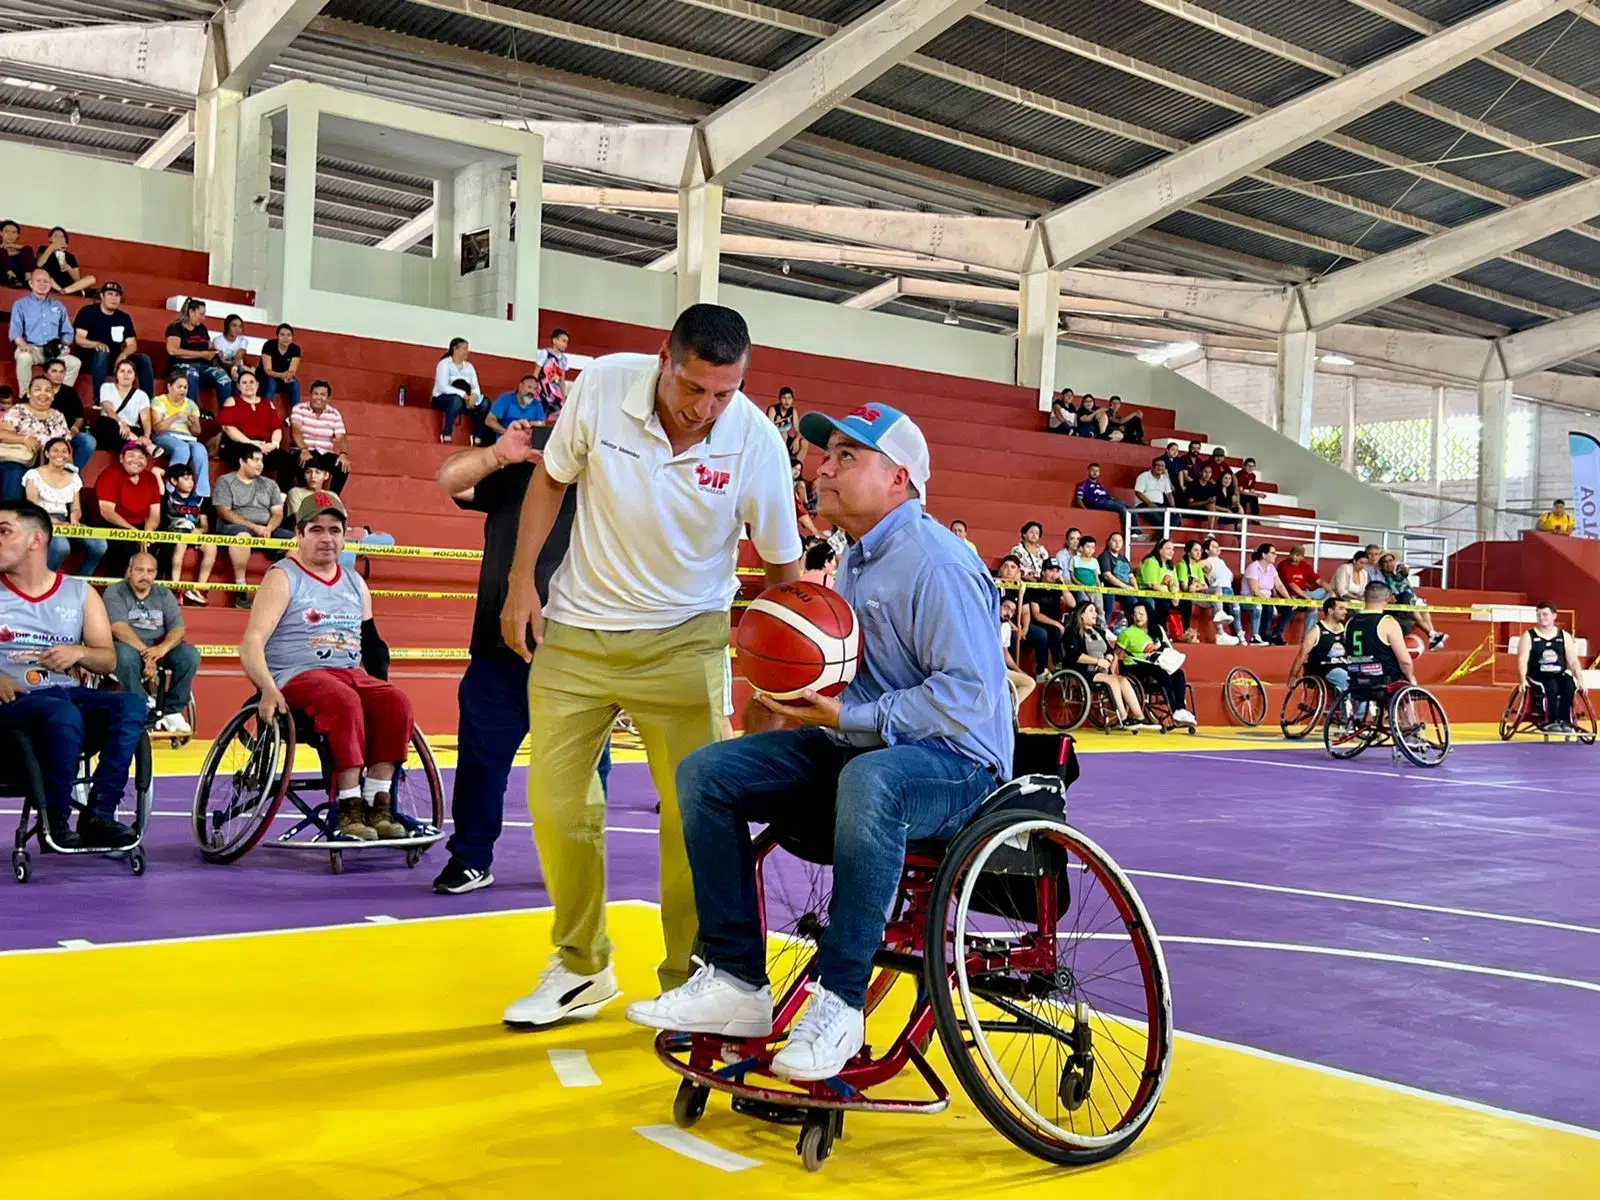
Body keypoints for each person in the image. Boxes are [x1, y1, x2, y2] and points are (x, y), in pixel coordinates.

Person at [625, 401, 1009, 1083]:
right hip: (866, 748)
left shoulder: (937, 563)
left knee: (873, 780)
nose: (824, 467)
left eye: (847, 457)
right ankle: (738, 980)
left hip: (959, 766)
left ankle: (839, 1001)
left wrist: (846, 718)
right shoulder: (856, 559)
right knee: (707, 774)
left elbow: (971, 697)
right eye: (825, 454)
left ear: (900, 480)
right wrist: (793, 704)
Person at [498, 303, 802, 1024]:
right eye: (694, 388)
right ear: (665, 361)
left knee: (696, 820)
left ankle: (689, 977)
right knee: (556, 806)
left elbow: (785, 570)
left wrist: (777, 683)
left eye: (724, 393)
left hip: (686, 639)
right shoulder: (602, 386)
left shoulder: (754, 440)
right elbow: (550, 479)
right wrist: (521, 583)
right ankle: (580, 966)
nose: (707, 408)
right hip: (576, 628)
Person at [430, 419, 613, 894]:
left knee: (582, 769)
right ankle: (471, 857)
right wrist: (496, 454)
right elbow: (450, 478)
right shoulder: (519, 471)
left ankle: (576, 860)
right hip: (498, 652)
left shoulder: (611, 490)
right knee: (481, 763)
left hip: (578, 660)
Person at [240, 491, 416, 841]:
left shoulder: (355, 582)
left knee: (397, 702)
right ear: (300, 534)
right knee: (341, 699)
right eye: (317, 530)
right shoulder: (283, 577)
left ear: (344, 534)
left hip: (348, 674)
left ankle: (377, 803)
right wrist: (267, 688)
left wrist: (381, 698)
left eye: (334, 530)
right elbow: (251, 643)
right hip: (297, 676)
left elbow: (374, 647)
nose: (327, 539)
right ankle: (348, 808)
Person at [0, 499, 145, 849]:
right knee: (62, 713)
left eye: (4, 532)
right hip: (15, 700)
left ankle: (99, 815)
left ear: (36, 540)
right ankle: (55, 818)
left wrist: (79, 652)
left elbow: (108, 660)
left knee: (131, 706)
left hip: (66, 693)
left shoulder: (80, 592)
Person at [104, 552, 199, 734]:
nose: (145, 576)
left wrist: (161, 649)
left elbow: (178, 629)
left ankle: (172, 710)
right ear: (129, 572)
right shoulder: (114, 592)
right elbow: (118, 627)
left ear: (155, 574)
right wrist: (148, 654)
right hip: (129, 645)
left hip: (159, 646)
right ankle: (144, 705)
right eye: (139, 570)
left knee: (189, 655)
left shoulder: (163, 594)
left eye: (150, 571)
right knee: (121, 655)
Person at [212, 443, 292, 607]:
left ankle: (285, 592)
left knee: (296, 542)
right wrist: (255, 528)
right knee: (243, 536)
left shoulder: (270, 484)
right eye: (255, 460)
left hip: (266, 528)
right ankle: (241, 591)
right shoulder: (226, 481)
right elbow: (224, 512)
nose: (260, 464)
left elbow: (277, 512)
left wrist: (269, 527)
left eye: (261, 460)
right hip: (235, 527)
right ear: (242, 461)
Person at [23, 436, 104, 575]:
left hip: (63, 521)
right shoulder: (34, 474)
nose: (60, 455)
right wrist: (54, 523)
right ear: (47, 454)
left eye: (64, 451)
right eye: (55, 451)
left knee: (99, 544)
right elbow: (33, 507)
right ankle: (44, 581)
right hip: (40, 521)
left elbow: (76, 508)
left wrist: (74, 520)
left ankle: (81, 582)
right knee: (62, 547)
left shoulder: (74, 478)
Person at [1064, 599, 1151, 729]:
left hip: (1101, 671)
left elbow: (1110, 651)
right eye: (1091, 611)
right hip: (1082, 672)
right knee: (1113, 681)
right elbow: (1074, 655)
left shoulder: (1098, 631)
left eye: (1095, 610)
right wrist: (1098, 661)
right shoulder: (1072, 632)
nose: (1095, 613)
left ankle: (1140, 717)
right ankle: (1123, 717)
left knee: (1123, 680)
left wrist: (1108, 660)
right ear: (1081, 614)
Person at [1116, 603, 1197, 726]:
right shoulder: (1127, 633)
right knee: (1161, 672)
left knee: (1178, 673)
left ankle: (1180, 709)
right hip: (1134, 666)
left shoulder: (1157, 630)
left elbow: (1167, 648)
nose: (1138, 617)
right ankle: (1174, 709)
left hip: (1156, 663)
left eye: (1141, 614)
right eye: (1135, 614)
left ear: (1149, 615)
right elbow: (1115, 653)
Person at [72, 281, 154, 397]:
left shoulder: (124, 317)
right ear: (102, 296)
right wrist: (96, 344)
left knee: (143, 359)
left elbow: (132, 344)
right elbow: (79, 339)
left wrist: (123, 355)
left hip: (115, 360)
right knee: (103, 352)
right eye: (110, 294)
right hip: (92, 359)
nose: (114, 298)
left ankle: (148, 400)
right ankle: (99, 398)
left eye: (117, 295)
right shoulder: (88, 312)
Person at [96, 442, 163, 578]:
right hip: (114, 525)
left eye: (141, 457)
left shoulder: (150, 478)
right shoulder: (110, 474)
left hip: (140, 527)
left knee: (164, 547)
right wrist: (133, 532)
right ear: (121, 458)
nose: (136, 460)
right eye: (131, 455)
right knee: (125, 547)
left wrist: (147, 534)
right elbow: (107, 512)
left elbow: (155, 514)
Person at [1516, 601, 1586, 732]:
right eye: (1538, 615)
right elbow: (1522, 659)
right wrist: (1522, 679)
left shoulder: (1564, 636)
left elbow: (1573, 661)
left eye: (1545, 614)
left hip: (1558, 673)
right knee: (1551, 685)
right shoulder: (1528, 636)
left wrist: (1581, 680)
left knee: (1569, 684)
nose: (1541, 617)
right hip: (1538, 674)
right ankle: (1551, 720)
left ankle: (1565, 721)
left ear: (1554, 616)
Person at [11, 266, 81, 392]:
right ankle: (26, 395)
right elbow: (15, 331)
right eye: (38, 281)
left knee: (75, 363)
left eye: (46, 281)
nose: (42, 284)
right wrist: (23, 344)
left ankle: (58, 396)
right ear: (31, 283)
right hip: (32, 349)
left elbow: (68, 332)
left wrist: (62, 345)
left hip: (53, 351)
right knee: (23, 357)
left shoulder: (58, 306)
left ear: (51, 284)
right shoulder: (20, 304)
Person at [1343, 580, 1417, 696]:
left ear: (1364, 597)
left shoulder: (1350, 622)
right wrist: (1411, 678)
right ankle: (1407, 714)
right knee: (1405, 677)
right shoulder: (1388, 622)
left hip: (1356, 679)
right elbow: (1405, 661)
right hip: (1382, 679)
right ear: (1387, 598)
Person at [0, 377, 70, 499]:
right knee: (13, 470)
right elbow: (2, 433)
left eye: (48, 390)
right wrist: (25, 439)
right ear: (28, 393)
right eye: (38, 389)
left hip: (49, 464)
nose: (43, 393)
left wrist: (68, 469)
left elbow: (65, 444)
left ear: (53, 395)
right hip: (20, 461)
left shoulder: (58, 416)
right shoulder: (18, 410)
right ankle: (9, 514)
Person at [219, 370, 293, 485]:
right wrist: (251, 443)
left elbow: (277, 428)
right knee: (248, 456)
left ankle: (281, 496)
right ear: (238, 386)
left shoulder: (268, 404)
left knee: (287, 460)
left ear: (257, 385)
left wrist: (274, 444)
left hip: (264, 447)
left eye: (251, 382)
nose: (248, 385)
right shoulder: (232, 401)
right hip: (240, 445)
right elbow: (227, 427)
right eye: (244, 383)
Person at [149, 371, 210, 498]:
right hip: (165, 436)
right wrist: (176, 416)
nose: (182, 390)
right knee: (182, 449)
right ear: (169, 386)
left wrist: (194, 423)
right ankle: (171, 490)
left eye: (185, 387)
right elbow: (157, 427)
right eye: (179, 387)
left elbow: (197, 432)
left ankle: (202, 494)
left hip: (187, 437)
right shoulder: (159, 401)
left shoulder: (191, 404)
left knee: (201, 450)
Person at [161, 462, 215, 605]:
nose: (190, 482)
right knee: (180, 545)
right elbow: (156, 471)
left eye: (191, 479)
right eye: (185, 479)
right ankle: (175, 587)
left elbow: (205, 525)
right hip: (176, 533)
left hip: (195, 533)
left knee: (211, 546)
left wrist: (201, 530)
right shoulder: (167, 498)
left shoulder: (200, 501)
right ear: (174, 481)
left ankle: (199, 588)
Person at [164, 299, 233, 408]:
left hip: (203, 367)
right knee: (192, 374)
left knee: (223, 377)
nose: (203, 318)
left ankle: (226, 417)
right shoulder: (175, 327)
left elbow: (209, 346)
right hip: (181, 366)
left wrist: (216, 352)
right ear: (191, 312)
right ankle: (193, 413)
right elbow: (172, 350)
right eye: (201, 314)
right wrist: (201, 354)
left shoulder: (202, 328)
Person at [287, 380, 351, 491]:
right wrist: (304, 449)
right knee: (303, 461)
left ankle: (333, 498)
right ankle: (304, 497)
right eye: (315, 393)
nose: (318, 397)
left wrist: (343, 453)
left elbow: (341, 437)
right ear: (310, 395)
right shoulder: (299, 409)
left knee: (343, 466)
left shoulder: (334, 413)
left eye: (322, 395)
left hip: (324, 453)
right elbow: (296, 432)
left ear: (328, 398)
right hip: (304, 451)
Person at [94, 358, 157, 461]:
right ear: (116, 374)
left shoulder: (142, 395)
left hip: (131, 428)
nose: (126, 374)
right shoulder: (106, 387)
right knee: (103, 422)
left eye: (129, 372)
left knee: (136, 431)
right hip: (112, 426)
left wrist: (146, 437)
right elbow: (109, 409)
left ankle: (134, 445)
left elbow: (145, 420)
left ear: (134, 376)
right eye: (122, 371)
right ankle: (135, 444)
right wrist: (120, 423)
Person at [1289, 597, 1351, 695]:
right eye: (1341, 608)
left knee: (1364, 679)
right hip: (1323, 669)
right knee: (1347, 678)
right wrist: (1293, 676)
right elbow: (1302, 654)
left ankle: (1358, 709)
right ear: (1330, 610)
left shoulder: (1346, 630)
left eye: (1345, 609)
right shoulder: (1316, 631)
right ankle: (1347, 708)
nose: (1345, 612)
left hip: (1344, 666)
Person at [41, 356, 95, 470]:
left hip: (68, 432)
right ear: (45, 373)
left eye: (61, 372)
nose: (58, 375)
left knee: (89, 442)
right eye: (54, 371)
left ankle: (73, 473)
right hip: (43, 432)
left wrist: (74, 429)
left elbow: (80, 417)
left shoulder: (69, 392)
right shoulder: (39, 391)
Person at [433, 337, 488, 444]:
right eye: (465, 348)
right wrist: (463, 395)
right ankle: (447, 433)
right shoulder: (444, 364)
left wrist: (473, 397)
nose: (468, 351)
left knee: (485, 403)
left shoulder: (469, 367)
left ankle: (477, 437)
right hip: (442, 399)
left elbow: (475, 387)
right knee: (456, 400)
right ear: (455, 349)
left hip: (465, 401)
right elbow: (443, 386)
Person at [1022, 558, 1068, 674]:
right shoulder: (1034, 588)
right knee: (1045, 634)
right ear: (1043, 572)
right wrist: (1057, 624)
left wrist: (1063, 586)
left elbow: (1072, 603)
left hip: (1053, 624)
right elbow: (1036, 614)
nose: (1055, 574)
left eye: (1057, 571)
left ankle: (1059, 666)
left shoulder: (1057, 587)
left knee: (1057, 632)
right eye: (1051, 570)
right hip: (1037, 623)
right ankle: (1041, 670)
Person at [1242, 543, 1292, 645]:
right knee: (1268, 606)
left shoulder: (1271, 568)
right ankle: (1265, 636)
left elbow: (1279, 585)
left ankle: (1276, 635)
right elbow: (1255, 591)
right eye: (1273, 553)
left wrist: (1289, 599)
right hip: (1252, 599)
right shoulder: (1253, 567)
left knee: (1288, 609)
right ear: (1264, 555)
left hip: (1268, 599)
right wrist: (1270, 602)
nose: (1275, 555)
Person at [999, 596, 1034, 713]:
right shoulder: (984, 623)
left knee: (1029, 682)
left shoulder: (1006, 627)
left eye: (1012, 611)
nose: (1008, 613)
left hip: (1000, 670)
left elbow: (1005, 653)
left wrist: (1018, 670)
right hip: (982, 670)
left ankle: (1006, 711)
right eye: (1006, 608)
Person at [34, 227, 95, 296]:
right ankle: (60, 290)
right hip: (52, 284)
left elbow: (77, 279)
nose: (58, 239)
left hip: (69, 287)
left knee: (92, 278)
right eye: (55, 236)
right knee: (44, 276)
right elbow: (39, 265)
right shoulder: (44, 250)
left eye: (62, 237)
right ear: (50, 239)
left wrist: (69, 269)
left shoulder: (70, 256)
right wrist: (51, 248)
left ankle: (65, 291)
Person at [485, 374, 546, 439]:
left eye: (534, 389)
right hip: (506, 438)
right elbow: (489, 420)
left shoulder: (537, 404)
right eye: (529, 387)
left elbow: (542, 423)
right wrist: (507, 433)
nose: (532, 391)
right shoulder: (506, 398)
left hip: (527, 439)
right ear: (520, 386)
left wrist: (529, 423)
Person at [256, 323, 303, 408]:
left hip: (283, 379)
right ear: (277, 336)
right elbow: (268, 370)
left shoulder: (295, 349)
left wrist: (287, 376)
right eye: (282, 335)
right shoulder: (269, 345)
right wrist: (282, 375)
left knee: (295, 384)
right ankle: (265, 411)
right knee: (271, 383)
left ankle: (296, 415)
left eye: (289, 335)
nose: (285, 338)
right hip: (265, 376)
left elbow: (292, 371)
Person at [1073, 461, 1131, 526]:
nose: (1095, 473)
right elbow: (1079, 499)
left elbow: (1108, 496)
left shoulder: (1100, 485)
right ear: (1088, 471)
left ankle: (1137, 533)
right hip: (1097, 503)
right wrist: (1086, 510)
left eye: (1097, 471)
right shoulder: (1083, 484)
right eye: (1093, 470)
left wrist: (1117, 501)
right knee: (1121, 508)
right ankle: (1130, 532)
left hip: (1108, 501)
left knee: (1130, 508)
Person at [535, 328, 571, 416]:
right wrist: (534, 390)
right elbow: (536, 372)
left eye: (567, 342)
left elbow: (562, 379)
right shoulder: (545, 353)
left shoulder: (564, 359)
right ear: (554, 340)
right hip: (542, 391)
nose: (565, 344)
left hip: (555, 394)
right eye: (563, 341)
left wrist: (563, 396)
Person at [1132, 457, 1173, 530]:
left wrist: (1173, 507)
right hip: (1144, 504)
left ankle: (1161, 537)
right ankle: (1163, 538)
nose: (1160, 468)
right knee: (1159, 518)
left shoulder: (1164, 478)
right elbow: (1138, 493)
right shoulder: (1144, 476)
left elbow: (1169, 494)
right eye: (1158, 465)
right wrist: (1150, 503)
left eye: (1162, 466)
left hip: (1159, 506)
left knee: (1176, 517)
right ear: (1153, 466)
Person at [212, 313, 253, 386]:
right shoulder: (218, 340)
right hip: (222, 367)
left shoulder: (243, 340)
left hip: (237, 368)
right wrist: (234, 368)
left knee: (243, 373)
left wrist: (234, 368)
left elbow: (240, 354)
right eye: (234, 325)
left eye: (240, 326)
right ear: (227, 326)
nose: (237, 329)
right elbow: (221, 360)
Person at [0, 218, 36, 288]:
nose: (10, 235)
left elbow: (27, 249)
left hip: (19, 280)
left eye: (14, 232)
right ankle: (11, 276)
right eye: (7, 231)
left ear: (17, 235)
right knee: (2, 251)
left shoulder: (22, 251)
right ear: (1, 233)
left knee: (27, 248)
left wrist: (10, 245)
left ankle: (28, 278)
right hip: (3, 276)